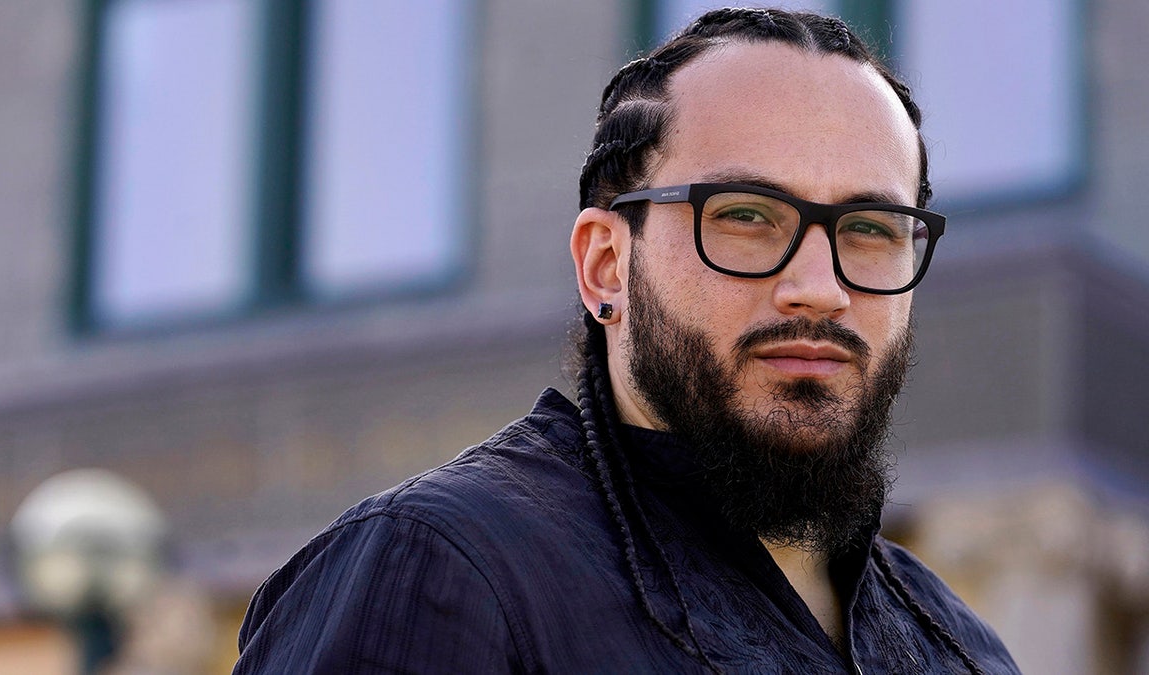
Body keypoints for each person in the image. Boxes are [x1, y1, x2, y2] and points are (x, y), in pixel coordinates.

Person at [234, 7, 1020, 673]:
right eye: (745, 215)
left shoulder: (963, 651)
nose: (820, 285)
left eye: (870, 228)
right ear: (607, 265)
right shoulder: (443, 569)